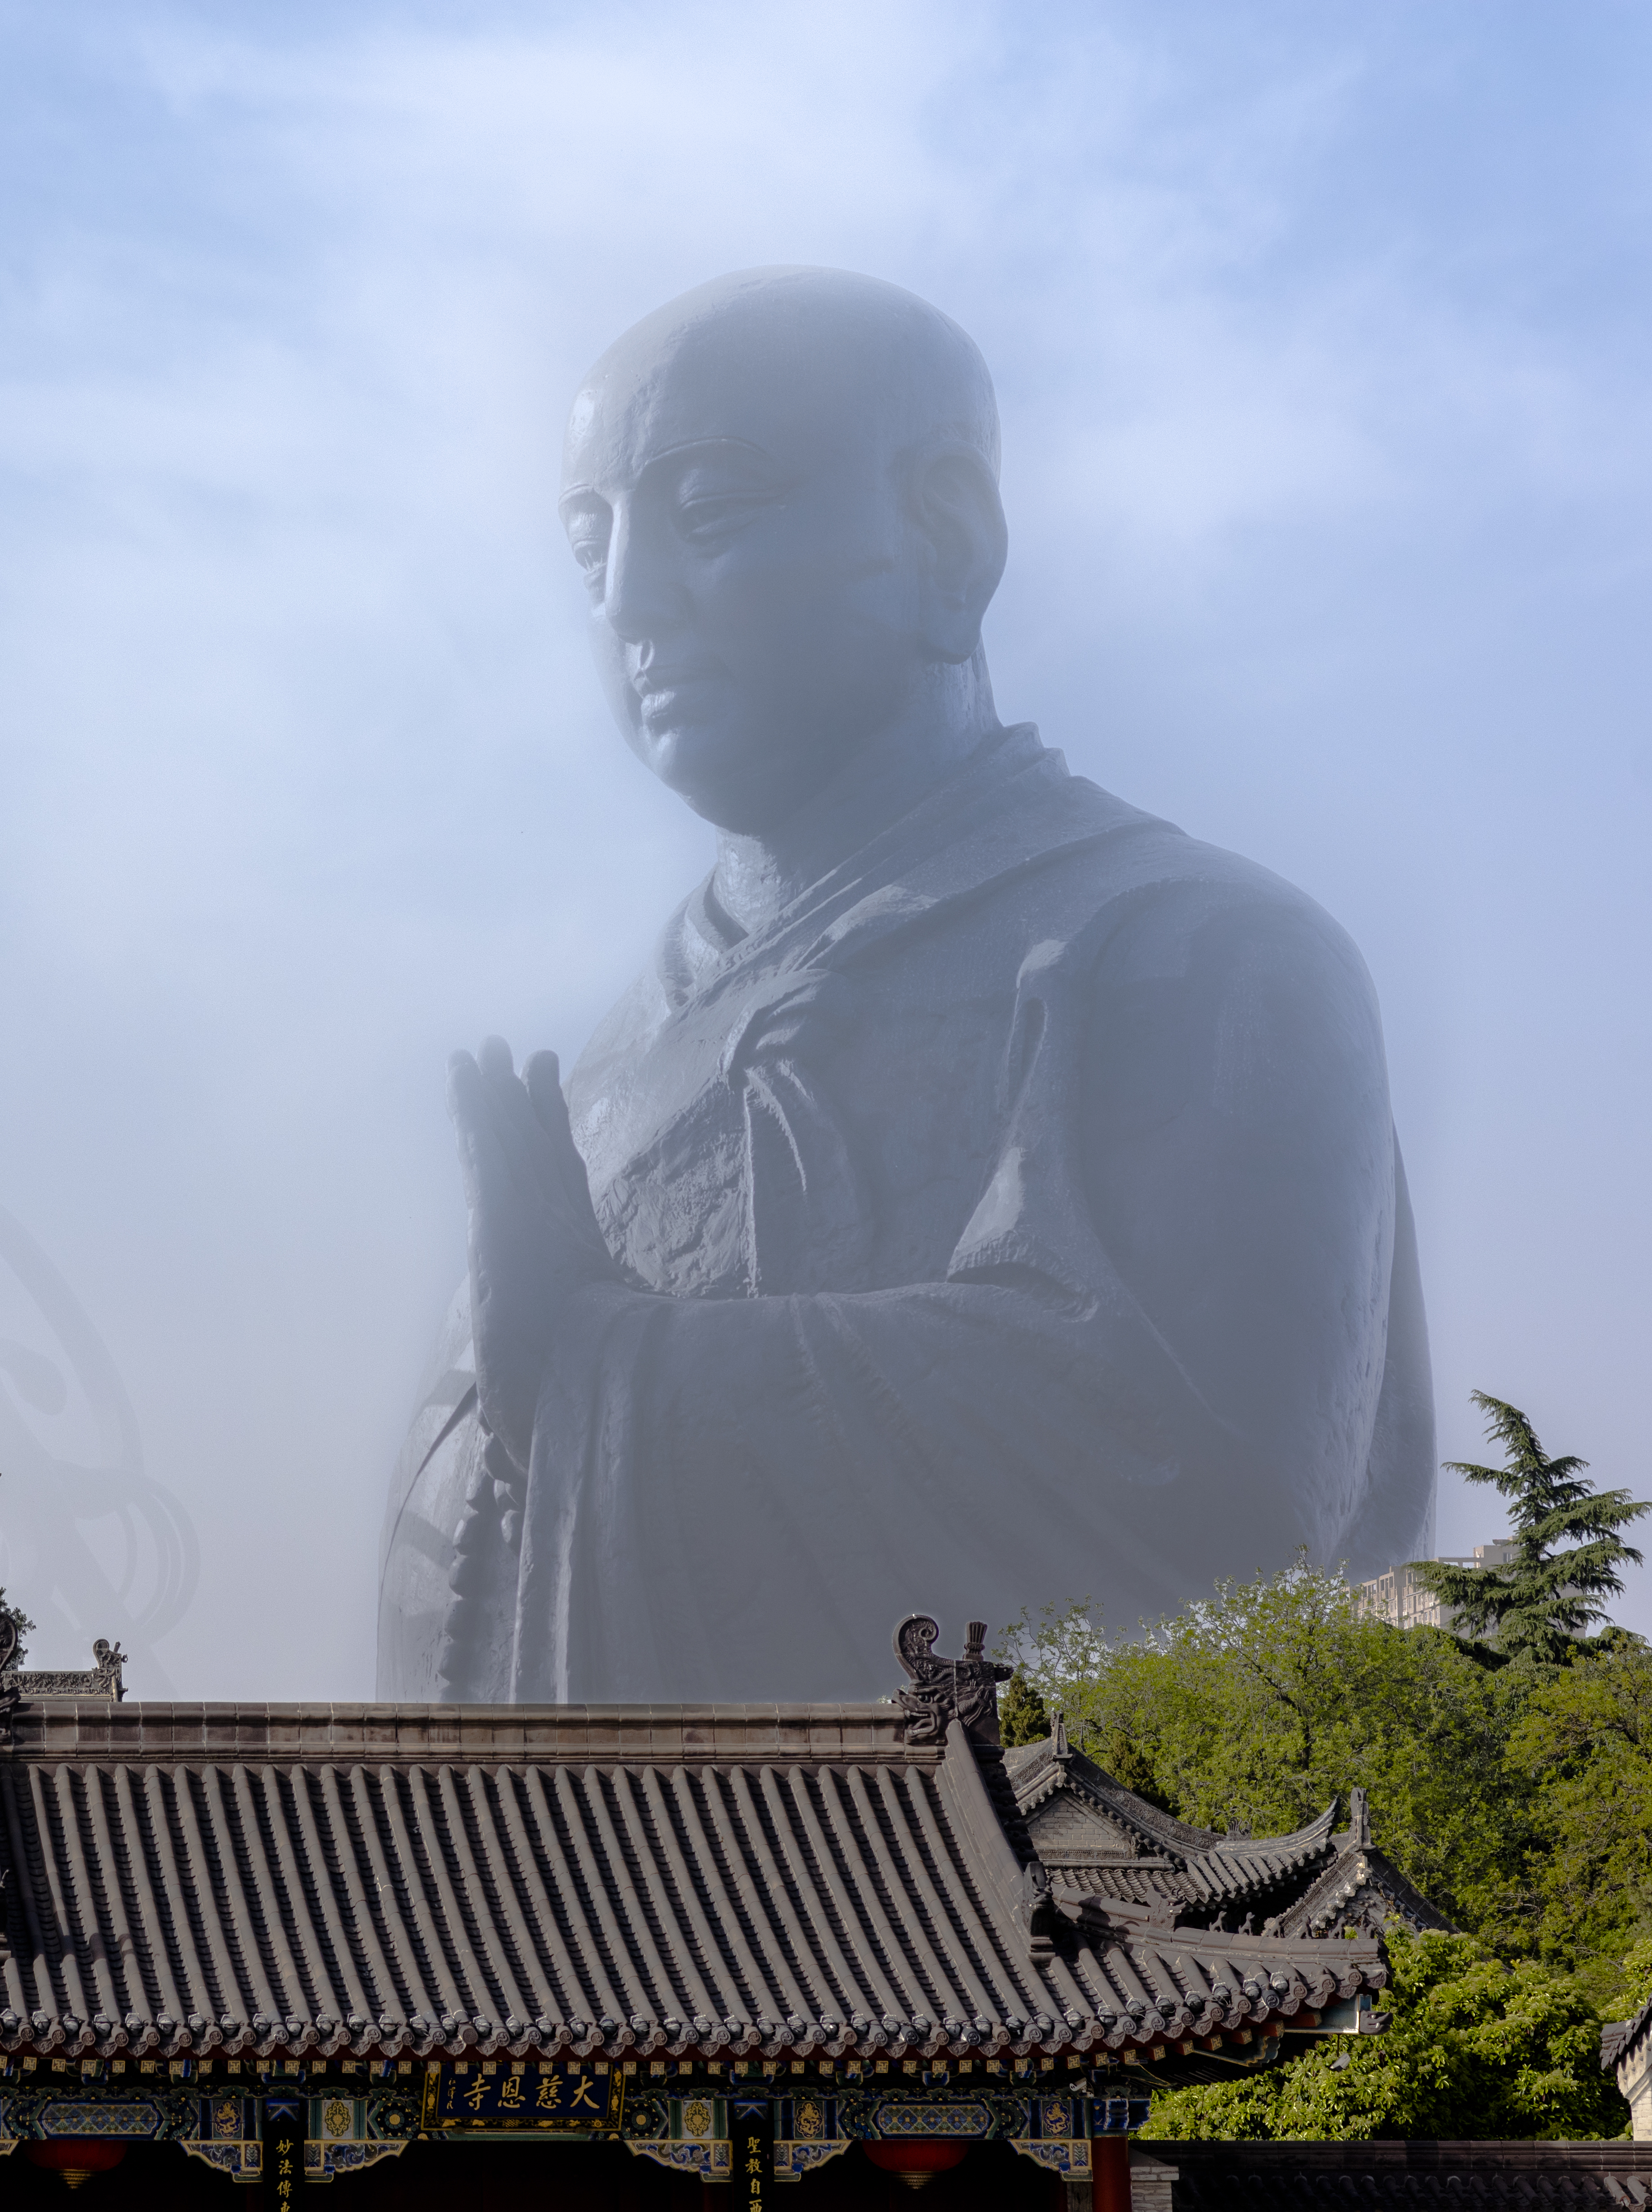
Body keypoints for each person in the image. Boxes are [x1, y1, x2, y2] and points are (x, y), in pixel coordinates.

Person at [380, 268, 1432, 1702]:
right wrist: (546, 1397)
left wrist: (602, 1370)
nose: (629, 600)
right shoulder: (613, 1078)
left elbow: (1224, 1506)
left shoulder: (1203, 956)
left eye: (708, 512)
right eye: (589, 547)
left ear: (948, 534)